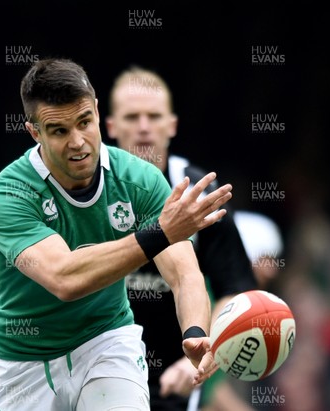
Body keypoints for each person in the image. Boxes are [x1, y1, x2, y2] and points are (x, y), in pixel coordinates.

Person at [0, 58, 233, 411]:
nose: (78, 142)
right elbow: (64, 278)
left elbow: (185, 273)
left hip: (106, 340)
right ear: (34, 132)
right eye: (59, 130)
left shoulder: (139, 180)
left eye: (85, 122)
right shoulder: (6, 195)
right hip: (25, 362)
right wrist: (159, 233)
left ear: (98, 112)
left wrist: (194, 333)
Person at [105, 65, 258, 410]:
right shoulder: (88, 193)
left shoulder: (202, 193)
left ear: (171, 125)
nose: (143, 126)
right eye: (132, 117)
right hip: (99, 366)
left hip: (174, 378)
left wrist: (202, 353)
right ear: (111, 126)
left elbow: (235, 290)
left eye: (153, 116)